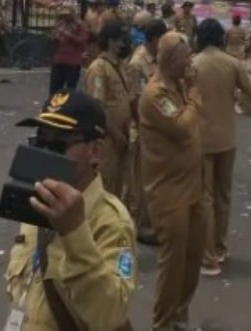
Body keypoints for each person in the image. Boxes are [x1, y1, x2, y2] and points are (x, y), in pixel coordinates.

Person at [5, 90, 135, 330]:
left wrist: (74, 231)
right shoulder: (39, 197)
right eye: (39, 141)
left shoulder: (111, 222)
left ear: (95, 151)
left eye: (57, 144)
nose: (44, 153)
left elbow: (109, 316)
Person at [139, 31, 205, 331]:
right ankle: (162, 323)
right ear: (169, 59)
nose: (190, 62)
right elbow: (181, 127)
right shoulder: (156, 94)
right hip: (169, 193)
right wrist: (194, 98)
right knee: (173, 262)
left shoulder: (178, 85)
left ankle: (180, 313)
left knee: (193, 256)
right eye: (185, 57)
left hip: (192, 187)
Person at [193, 18, 251, 276]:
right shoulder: (233, 63)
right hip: (227, 137)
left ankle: (208, 258)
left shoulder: (193, 64)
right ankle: (220, 247)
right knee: (223, 196)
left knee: (204, 198)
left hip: (201, 138)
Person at [125, 18, 166, 245]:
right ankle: (144, 227)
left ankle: (153, 222)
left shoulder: (157, 59)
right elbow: (133, 99)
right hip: (142, 129)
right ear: (154, 39)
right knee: (142, 182)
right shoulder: (138, 62)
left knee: (155, 180)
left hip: (157, 129)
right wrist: (144, 126)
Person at [83, 21, 134, 201]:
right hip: (108, 139)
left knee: (119, 185)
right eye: (123, 40)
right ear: (111, 42)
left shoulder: (119, 66)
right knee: (106, 186)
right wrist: (116, 134)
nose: (126, 44)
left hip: (120, 138)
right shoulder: (99, 68)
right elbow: (98, 107)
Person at [49, 6, 89, 95]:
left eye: (66, 15)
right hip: (59, 60)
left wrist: (67, 35)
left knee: (70, 90)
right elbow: (55, 41)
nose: (65, 17)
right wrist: (55, 36)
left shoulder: (80, 25)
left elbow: (82, 40)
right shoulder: (61, 23)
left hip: (73, 62)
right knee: (54, 89)